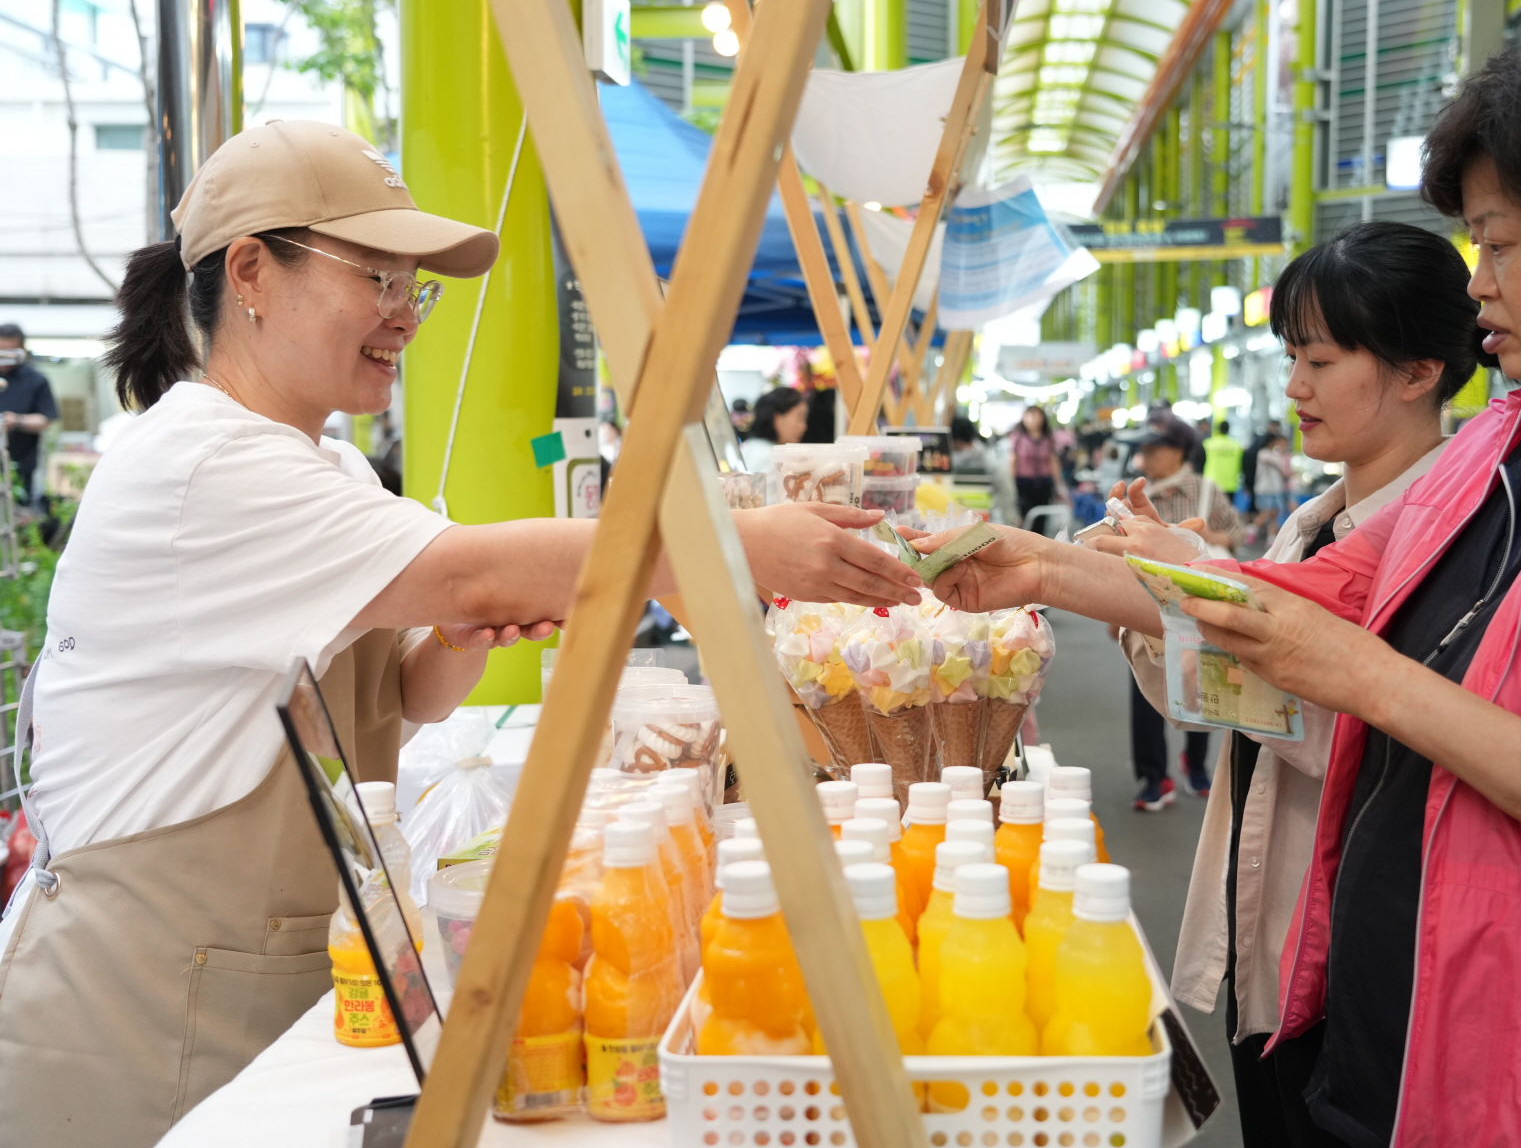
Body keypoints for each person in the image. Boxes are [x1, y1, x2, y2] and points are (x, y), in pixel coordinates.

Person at [918, 0, 1521, 1146]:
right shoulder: (1507, 439)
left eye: (1501, 241)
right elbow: (1320, 595)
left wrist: (1372, 682)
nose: (1478, 281)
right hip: (1393, 1022)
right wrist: (1037, 567)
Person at [0, 121, 924, 1147]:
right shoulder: (198, 464)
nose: (406, 317)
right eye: (378, 279)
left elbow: (404, 697)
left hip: (259, 974)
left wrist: (458, 638)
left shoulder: (330, 467)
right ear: (252, 270)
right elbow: (470, 566)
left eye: (415, 288)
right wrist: (727, 544)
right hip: (137, 1006)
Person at [1107, 222, 1480, 1146]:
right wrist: (1162, 598)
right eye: (1290, 357)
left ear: (1420, 368)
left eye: (1319, 359)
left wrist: (1183, 586)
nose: (1296, 387)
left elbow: (1336, 727)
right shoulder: (1315, 526)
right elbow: (1214, 701)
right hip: (1263, 933)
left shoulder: (1447, 545)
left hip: (1359, 952)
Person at [1123, 413, 1241, 810]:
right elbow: (1118, 556)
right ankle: (1154, 777)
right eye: (1143, 449)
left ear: (1179, 451)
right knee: (1144, 688)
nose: (1145, 457)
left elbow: (1235, 536)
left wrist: (1207, 537)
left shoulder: (1207, 492)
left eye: (1153, 449)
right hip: (1142, 606)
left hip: (1196, 606)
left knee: (1200, 680)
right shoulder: (1136, 495)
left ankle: (1197, 763)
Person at [0, 325, 61, 504]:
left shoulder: (35, 380)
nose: (5, 358)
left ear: (22, 349)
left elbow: (45, 419)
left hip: (19, 464)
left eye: (10, 352)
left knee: (16, 511)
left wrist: (17, 421)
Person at [1008, 404, 1063, 532]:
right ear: (1024, 418)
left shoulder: (1048, 438)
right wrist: (1011, 484)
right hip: (1023, 482)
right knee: (1024, 517)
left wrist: (1058, 483)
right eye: (1030, 415)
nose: (1033, 419)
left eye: (1037, 415)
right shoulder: (1018, 437)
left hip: (1044, 483)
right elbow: (1013, 460)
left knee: (1041, 518)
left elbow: (1053, 461)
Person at [738, 385, 809, 473]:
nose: (804, 426)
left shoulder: (751, 446)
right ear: (777, 418)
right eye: (800, 418)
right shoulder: (773, 459)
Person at [1251, 428, 1293, 541]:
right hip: (1264, 489)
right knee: (1266, 513)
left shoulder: (1276, 455)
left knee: (1274, 515)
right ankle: (1251, 530)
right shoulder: (1263, 453)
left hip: (1276, 489)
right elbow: (1273, 463)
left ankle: (1271, 538)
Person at [1200, 418, 1242, 502]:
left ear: (1217, 429)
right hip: (1230, 483)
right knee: (1227, 513)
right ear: (1228, 429)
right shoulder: (1237, 445)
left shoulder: (1207, 444)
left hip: (1210, 483)